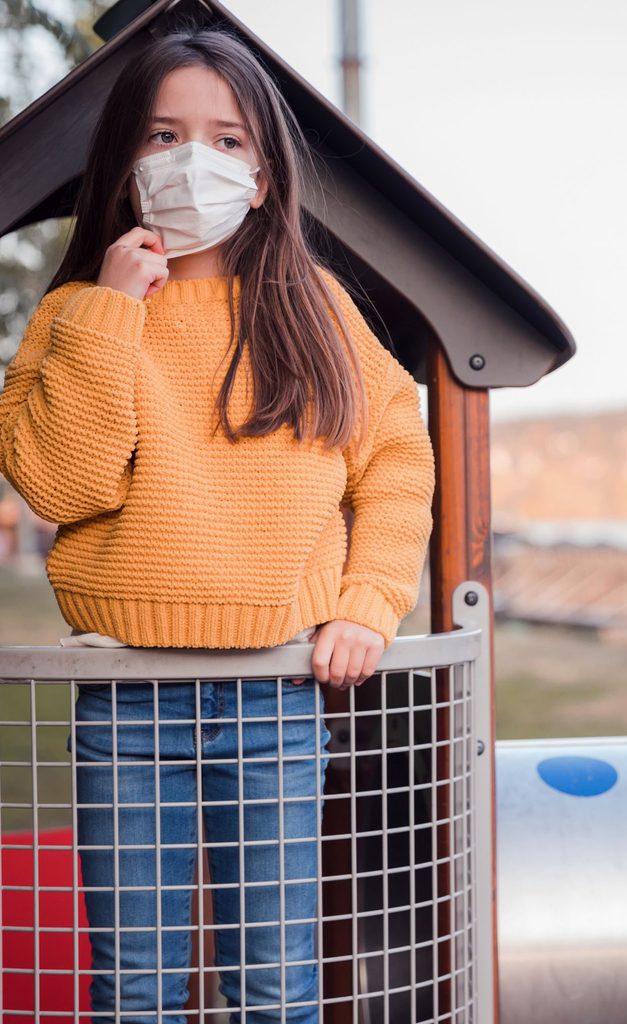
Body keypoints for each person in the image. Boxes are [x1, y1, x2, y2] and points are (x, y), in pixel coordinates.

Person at [0, 27, 435, 1024]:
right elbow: (60, 486)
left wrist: (369, 600)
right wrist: (112, 308)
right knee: (135, 990)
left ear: (264, 175)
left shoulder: (316, 309)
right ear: (124, 161)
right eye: (163, 135)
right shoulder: (72, 317)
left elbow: (397, 459)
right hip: (126, 704)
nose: (192, 159)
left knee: (276, 988)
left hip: (277, 695)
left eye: (226, 139)